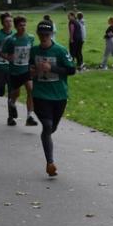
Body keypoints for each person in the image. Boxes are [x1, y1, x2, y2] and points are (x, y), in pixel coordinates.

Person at [27, 20, 77, 177]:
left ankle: (47, 138)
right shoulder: (33, 51)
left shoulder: (60, 50)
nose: (44, 37)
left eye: (47, 34)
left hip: (59, 95)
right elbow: (28, 68)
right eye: (41, 34)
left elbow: (72, 70)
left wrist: (51, 68)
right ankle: (50, 163)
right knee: (47, 126)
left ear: (51, 34)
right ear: (38, 34)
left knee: (52, 128)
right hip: (40, 95)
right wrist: (32, 72)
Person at [0, 15, 39, 127]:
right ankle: (12, 103)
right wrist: (8, 58)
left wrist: (33, 64)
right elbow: (0, 51)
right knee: (16, 93)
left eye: (24, 25)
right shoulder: (10, 39)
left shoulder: (30, 37)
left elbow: (31, 52)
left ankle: (29, 117)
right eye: (21, 25)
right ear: (16, 27)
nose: (23, 27)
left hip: (26, 69)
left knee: (31, 90)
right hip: (15, 71)